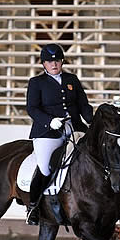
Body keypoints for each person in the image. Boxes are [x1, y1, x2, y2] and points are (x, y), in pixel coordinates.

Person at [26, 43, 93, 225]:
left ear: (62, 61)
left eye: (56, 60)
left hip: (75, 128)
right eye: (49, 61)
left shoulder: (72, 79)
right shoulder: (36, 83)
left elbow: (83, 104)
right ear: (43, 64)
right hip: (48, 132)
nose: (54, 64)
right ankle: (33, 206)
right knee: (45, 167)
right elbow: (31, 108)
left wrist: (91, 121)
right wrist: (49, 121)